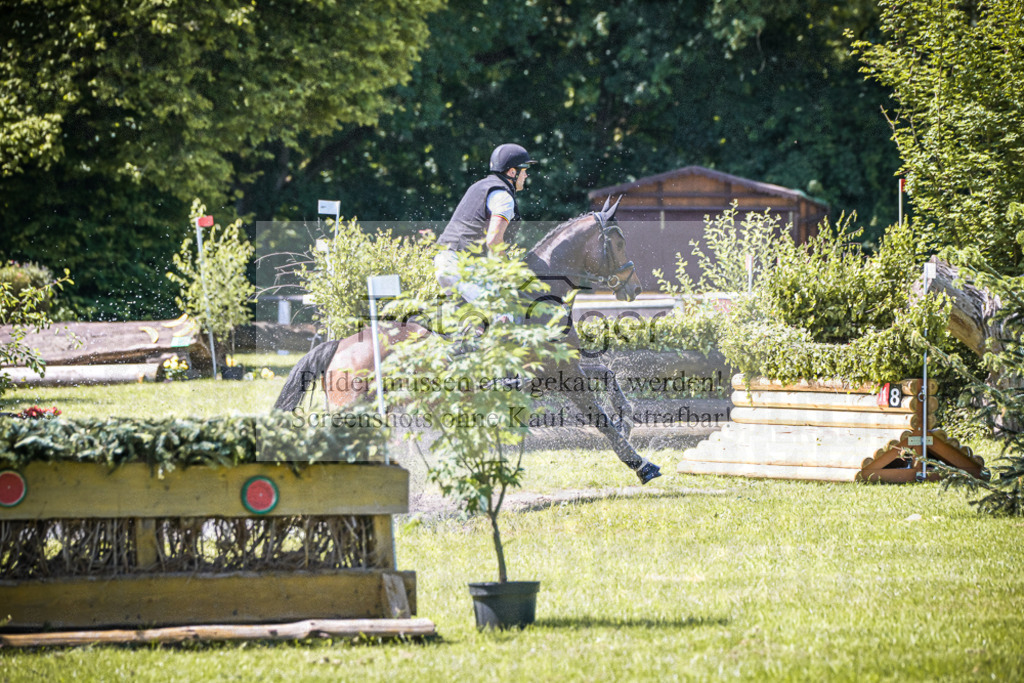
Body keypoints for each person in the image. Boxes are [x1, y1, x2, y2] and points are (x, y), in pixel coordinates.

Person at [434, 143, 536, 302]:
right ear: (512, 172)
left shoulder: (479, 186)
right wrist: (511, 271)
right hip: (461, 266)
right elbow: (494, 241)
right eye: (524, 171)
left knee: (465, 319)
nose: (526, 176)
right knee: (502, 313)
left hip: (444, 260)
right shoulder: (503, 197)